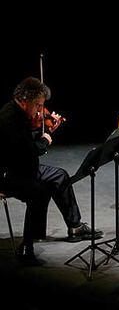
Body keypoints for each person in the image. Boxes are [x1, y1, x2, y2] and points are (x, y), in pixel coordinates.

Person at [0, 77, 103, 266]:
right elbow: (28, 150)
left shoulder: (20, 114)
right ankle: (27, 246)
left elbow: (27, 148)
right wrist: (45, 140)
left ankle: (75, 227)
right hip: (8, 175)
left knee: (60, 176)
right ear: (25, 101)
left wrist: (48, 130)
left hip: (23, 167)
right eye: (37, 105)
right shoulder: (8, 119)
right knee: (39, 192)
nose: (39, 110)